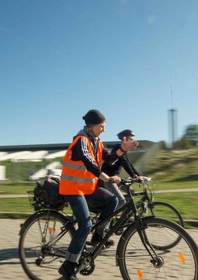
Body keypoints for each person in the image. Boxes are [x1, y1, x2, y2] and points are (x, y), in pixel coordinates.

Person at [58, 110, 139, 280]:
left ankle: (98, 236)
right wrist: (107, 178)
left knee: (113, 200)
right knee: (85, 225)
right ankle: (68, 266)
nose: (104, 129)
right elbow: (89, 164)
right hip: (73, 189)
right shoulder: (81, 141)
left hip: (87, 188)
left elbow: (108, 158)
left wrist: (121, 149)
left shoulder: (97, 142)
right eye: (102, 126)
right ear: (93, 125)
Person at [101, 129, 146, 209]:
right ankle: (108, 219)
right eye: (131, 138)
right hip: (108, 179)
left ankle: (125, 216)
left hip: (116, 179)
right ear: (125, 139)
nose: (133, 140)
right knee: (121, 200)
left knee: (131, 193)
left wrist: (139, 175)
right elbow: (124, 163)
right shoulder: (118, 148)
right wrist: (134, 176)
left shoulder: (123, 150)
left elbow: (128, 164)